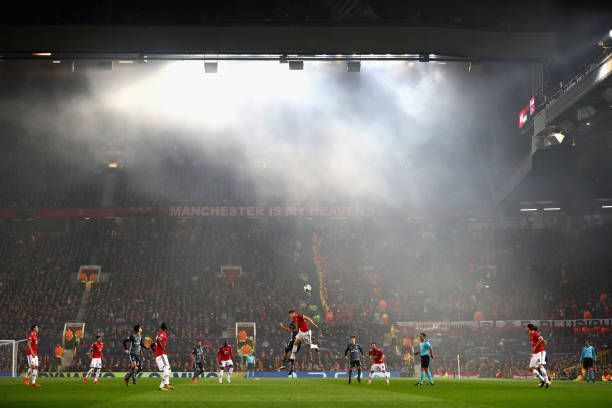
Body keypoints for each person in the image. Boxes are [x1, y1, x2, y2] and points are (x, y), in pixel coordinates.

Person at [527, 323, 550, 388]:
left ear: (529, 328)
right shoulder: (531, 334)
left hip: (541, 352)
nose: (526, 329)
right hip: (535, 353)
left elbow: (541, 339)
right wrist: (533, 350)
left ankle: (547, 381)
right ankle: (542, 380)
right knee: (530, 369)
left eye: (527, 328)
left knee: (540, 366)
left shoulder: (534, 333)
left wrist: (535, 346)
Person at [153, 322, 174, 391]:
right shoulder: (163, 333)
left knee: (168, 370)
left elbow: (154, 344)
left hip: (159, 354)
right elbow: (158, 342)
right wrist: (164, 349)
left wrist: (155, 351)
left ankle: (161, 386)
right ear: (166, 328)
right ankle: (166, 384)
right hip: (161, 354)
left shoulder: (158, 334)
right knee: (166, 367)